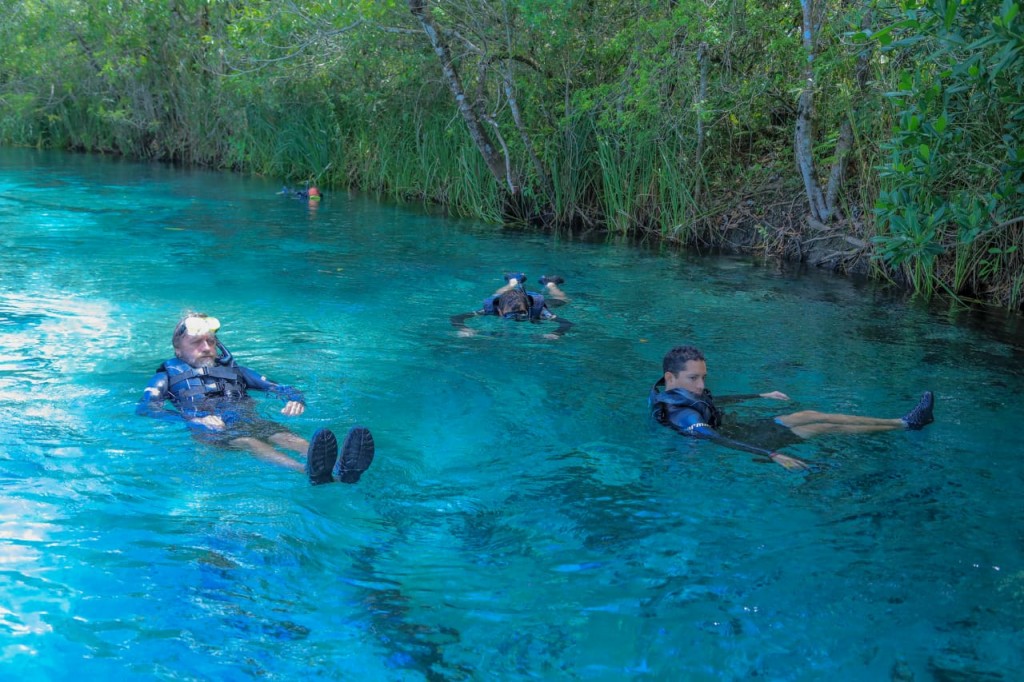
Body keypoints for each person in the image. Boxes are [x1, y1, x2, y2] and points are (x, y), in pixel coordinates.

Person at [136, 312, 373, 485]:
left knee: (283, 435)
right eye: (197, 343)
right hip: (211, 432)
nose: (206, 347)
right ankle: (308, 471)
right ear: (178, 350)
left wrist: (295, 399)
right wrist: (193, 421)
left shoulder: (236, 371)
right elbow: (146, 409)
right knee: (249, 442)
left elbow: (283, 388)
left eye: (211, 341)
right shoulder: (166, 376)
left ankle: (343, 466)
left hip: (249, 420)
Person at [649, 345, 935, 471]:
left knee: (810, 415)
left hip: (745, 430)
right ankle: (906, 424)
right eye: (693, 378)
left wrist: (760, 394)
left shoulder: (683, 395)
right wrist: (772, 454)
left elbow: (712, 401)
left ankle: (904, 422)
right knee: (823, 425)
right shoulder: (682, 415)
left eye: (703, 377)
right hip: (747, 441)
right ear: (670, 378)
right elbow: (715, 438)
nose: (700, 385)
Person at [450, 272, 573, 339]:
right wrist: (464, 329)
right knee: (496, 295)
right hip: (504, 299)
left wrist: (555, 334)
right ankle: (514, 280)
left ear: (526, 308)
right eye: (510, 314)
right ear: (499, 309)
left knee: (563, 300)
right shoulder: (493, 308)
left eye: (521, 313)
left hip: (532, 300)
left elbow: (566, 323)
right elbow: (457, 317)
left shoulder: (540, 311)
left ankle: (550, 283)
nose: (516, 317)